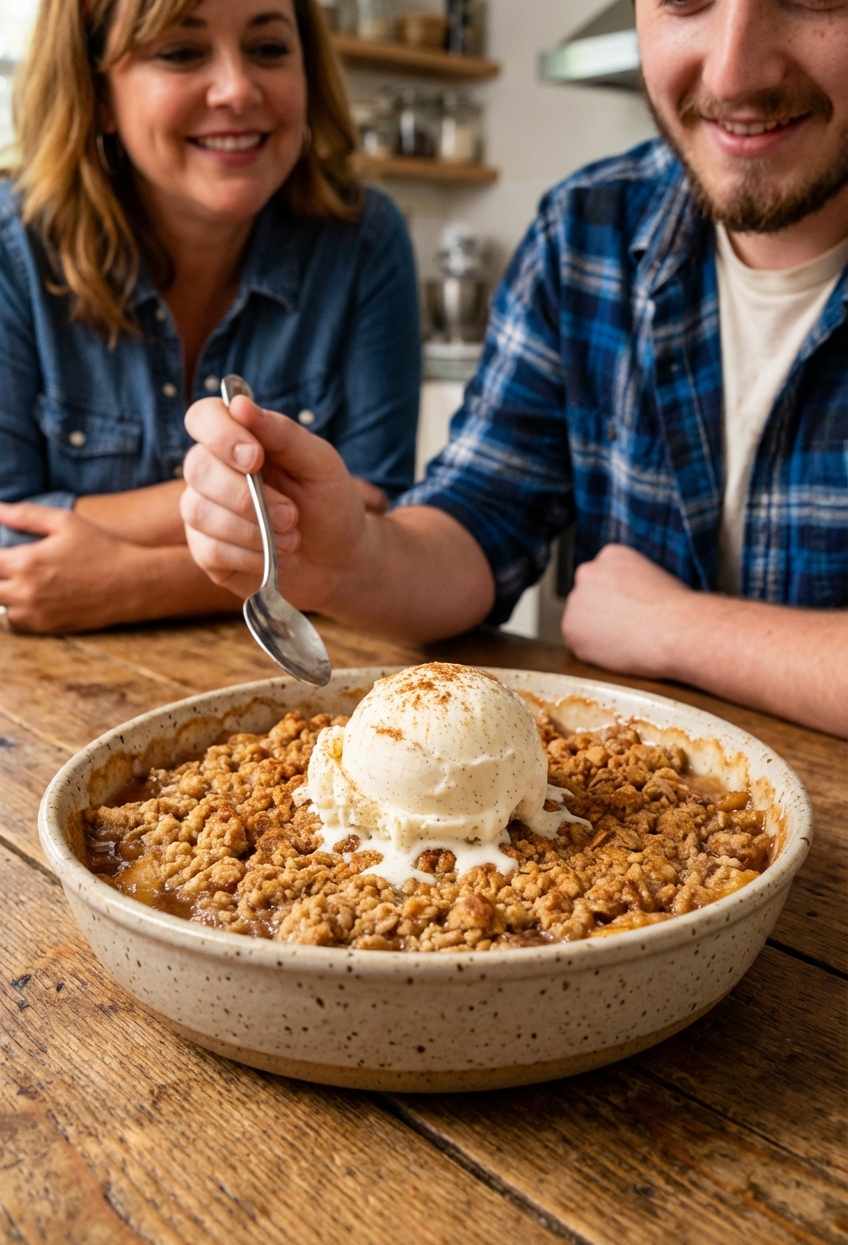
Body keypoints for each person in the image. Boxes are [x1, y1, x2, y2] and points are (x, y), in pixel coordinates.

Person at [180, 0, 848, 738]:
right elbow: (481, 518)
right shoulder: (588, 228)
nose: (732, 74)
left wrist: (677, 628)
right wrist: (349, 561)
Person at [0, 0, 420, 634]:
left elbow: (372, 518)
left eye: (269, 49)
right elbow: (12, 542)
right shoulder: (14, 249)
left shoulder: (365, 240)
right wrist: (284, 510)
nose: (237, 89)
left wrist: (136, 583)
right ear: (99, 92)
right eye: (182, 53)